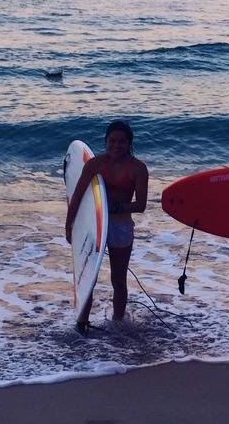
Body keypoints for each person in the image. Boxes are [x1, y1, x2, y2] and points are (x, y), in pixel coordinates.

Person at [65, 119, 149, 332]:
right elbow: (77, 197)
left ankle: (118, 323)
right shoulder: (94, 164)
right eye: (112, 140)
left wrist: (114, 208)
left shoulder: (138, 168)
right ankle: (82, 323)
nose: (116, 145)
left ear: (129, 142)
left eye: (122, 141)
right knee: (88, 277)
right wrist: (69, 225)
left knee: (118, 279)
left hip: (120, 227)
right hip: (94, 224)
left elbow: (140, 205)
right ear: (106, 141)